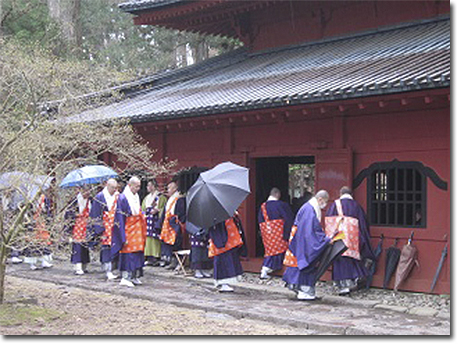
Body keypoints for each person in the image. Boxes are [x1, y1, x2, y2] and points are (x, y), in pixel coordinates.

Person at [325, 186, 376, 295]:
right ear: (351, 194)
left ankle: (342, 284)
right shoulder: (357, 206)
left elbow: (329, 221)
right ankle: (353, 280)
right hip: (353, 238)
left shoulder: (334, 205)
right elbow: (363, 225)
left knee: (340, 260)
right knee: (352, 259)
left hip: (339, 237)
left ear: (340, 193)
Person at [282, 190, 331, 300]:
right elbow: (309, 233)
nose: (325, 205)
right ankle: (304, 291)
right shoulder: (309, 210)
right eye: (325, 202)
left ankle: (302, 289)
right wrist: (325, 239)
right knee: (304, 263)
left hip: (299, 240)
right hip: (301, 242)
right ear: (320, 199)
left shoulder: (309, 208)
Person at [111, 176, 147, 287]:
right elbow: (120, 218)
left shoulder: (136, 196)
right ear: (130, 185)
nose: (138, 189)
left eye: (139, 187)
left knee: (137, 253)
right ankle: (125, 277)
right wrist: (122, 235)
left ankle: (135, 275)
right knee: (128, 253)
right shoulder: (123, 198)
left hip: (137, 227)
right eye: (136, 186)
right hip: (128, 228)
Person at [258, 187, 294, 279]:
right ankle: (268, 268)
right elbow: (289, 219)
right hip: (280, 233)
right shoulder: (281, 205)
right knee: (279, 250)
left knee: (270, 251)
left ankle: (265, 269)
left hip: (267, 233)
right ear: (278, 195)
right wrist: (288, 233)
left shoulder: (263, 207)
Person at [89, 178, 119, 281]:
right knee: (106, 248)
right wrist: (99, 230)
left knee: (115, 247)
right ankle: (107, 270)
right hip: (105, 226)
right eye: (112, 187)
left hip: (114, 225)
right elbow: (95, 215)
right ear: (107, 185)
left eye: (115, 188)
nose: (114, 190)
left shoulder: (117, 196)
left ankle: (112, 268)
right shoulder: (99, 197)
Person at [208, 217, 244, 292]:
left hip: (229, 238)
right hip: (222, 238)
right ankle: (223, 283)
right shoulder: (215, 214)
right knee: (223, 259)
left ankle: (226, 282)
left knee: (229, 258)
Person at [24, 188, 54, 270]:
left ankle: (44, 261)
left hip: (42, 222)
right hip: (33, 223)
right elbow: (28, 211)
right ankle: (32, 263)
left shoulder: (44, 199)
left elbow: (47, 211)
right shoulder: (29, 199)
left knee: (43, 241)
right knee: (33, 242)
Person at [159, 179, 186, 269]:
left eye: (169, 188)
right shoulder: (170, 199)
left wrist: (178, 222)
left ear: (175, 189)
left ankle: (179, 262)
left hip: (175, 224)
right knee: (169, 243)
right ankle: (171, 261)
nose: (168, 190)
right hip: (168, 224)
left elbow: (182, 213)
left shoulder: (180, 198)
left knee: (177, 242)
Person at [66, 187, 92, 275]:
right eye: (86, 191)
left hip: (86, 226)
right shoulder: (74, 201)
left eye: (89, 191)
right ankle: (78, 266)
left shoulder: (90, 200)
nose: (87, 193)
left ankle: (84, 265)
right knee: (77, 246)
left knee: (85, 246)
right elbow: (68, 215)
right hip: (77, 226)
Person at [142, 179, 167, 266]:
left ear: (153, 186)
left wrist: (158, 210)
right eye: (147, 185)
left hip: (155, 220)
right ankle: (149, 257)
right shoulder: (146, 198)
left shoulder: (160, 197)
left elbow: (163, 209)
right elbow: (143, 209)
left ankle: (156, 256)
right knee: (148, 238)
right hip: (148, 219)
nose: (148, 187)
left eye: (149, 185)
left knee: (155, 238)